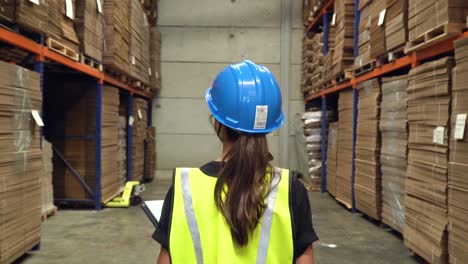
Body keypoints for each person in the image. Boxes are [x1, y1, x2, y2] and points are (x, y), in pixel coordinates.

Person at [153, 60, 318, 264]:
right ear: (270, 126)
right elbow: (304, 255)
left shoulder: (184, 188)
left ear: (217, 121)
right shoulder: (290, 189)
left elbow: (166, 257)